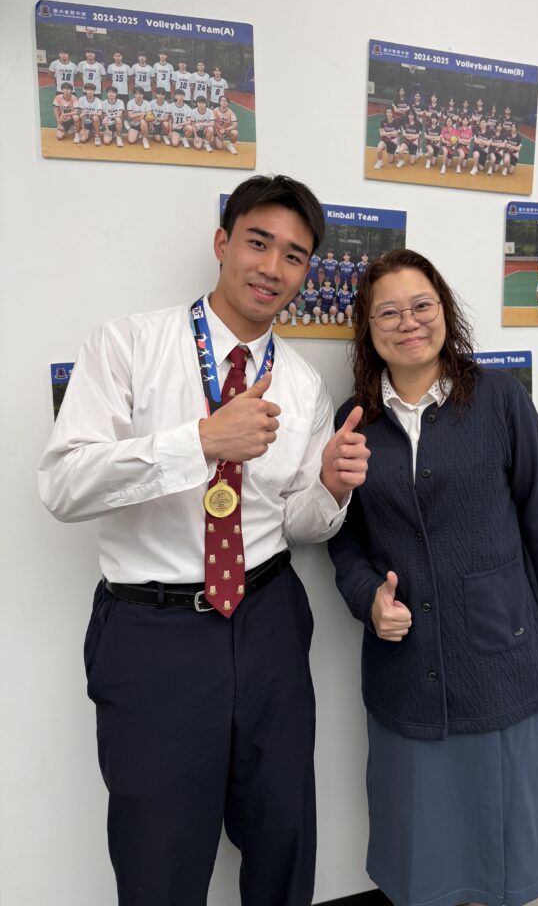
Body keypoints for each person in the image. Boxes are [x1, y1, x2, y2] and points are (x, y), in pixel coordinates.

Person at [38, 174, 370, 906]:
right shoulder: (127, 346)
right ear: (222, 243)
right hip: (152, 633)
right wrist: (200, 441)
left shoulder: (303, 385)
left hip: (269, 621)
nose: (272, 268)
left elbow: (297, 524)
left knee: (284, 837)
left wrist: (331, 490)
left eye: (294, 256)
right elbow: (63, 486)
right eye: (258, 242)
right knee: (158, 858)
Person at [328, 249, 538, 906]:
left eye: (422, 305)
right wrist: (367, 599)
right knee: (423, 848)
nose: (409, 322)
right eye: (388, 312)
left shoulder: (499, 400)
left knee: (503, 842)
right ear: (367, 329)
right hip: (406, 666)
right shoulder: (354, 421)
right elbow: (342, 536)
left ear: (444, 311)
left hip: (497, 652)